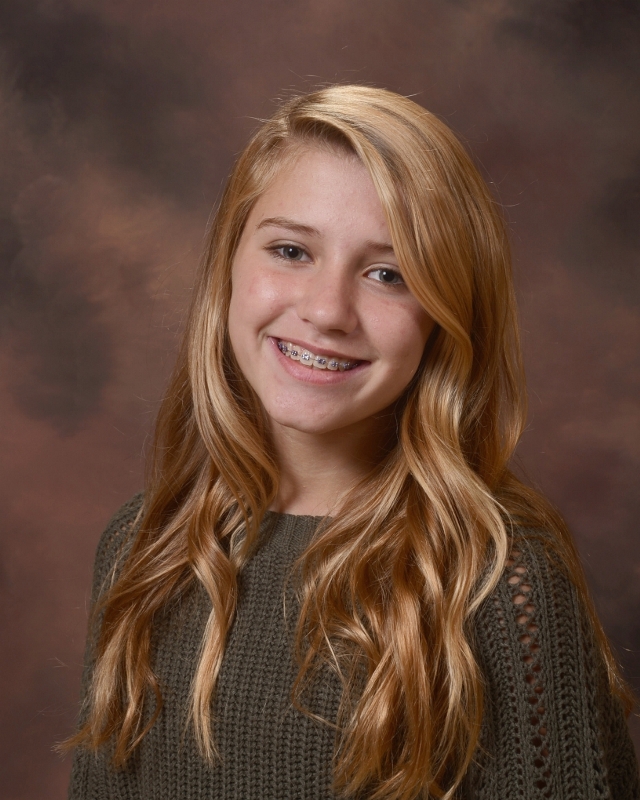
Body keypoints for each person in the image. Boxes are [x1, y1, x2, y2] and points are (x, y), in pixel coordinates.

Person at [65, 85, 639, 799]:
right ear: (228, 266)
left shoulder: (495, 579)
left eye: (387, 275)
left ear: (447, 317)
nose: (328, 310)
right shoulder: (144, 546)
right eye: (291, 250)